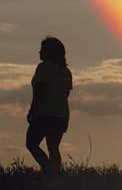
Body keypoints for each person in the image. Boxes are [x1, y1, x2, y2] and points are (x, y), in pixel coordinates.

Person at [26, 36, 73, 173]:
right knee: (53, 147)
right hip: (61, 115)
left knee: (31, 144)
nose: (39, 52)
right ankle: (55, 174)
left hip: (43, 114)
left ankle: (48, 169)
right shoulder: (66, 72)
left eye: (42, 50)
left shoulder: (44, 67)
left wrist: (32, 110)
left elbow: (38, 92)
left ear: (49, 52)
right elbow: (65, 94)